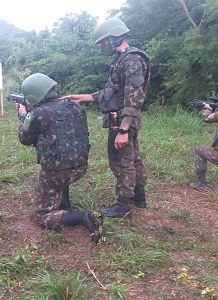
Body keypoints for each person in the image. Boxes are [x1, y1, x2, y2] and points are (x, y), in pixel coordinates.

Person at [68, 18, 152, 218]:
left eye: (103, 42)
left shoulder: (131, 60)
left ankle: (123, 207)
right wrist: (85, 97)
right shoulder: (122, 59)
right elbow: (112, 92)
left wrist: (122, 130)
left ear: (115, 38)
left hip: (122, 121)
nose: (102, 47)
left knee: (121, 162)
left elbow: (134, 99)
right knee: (133, 158)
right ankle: (139, 197)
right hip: (123, 119)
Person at [16, 73, 105, 244]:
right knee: (60, 177)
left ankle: (84, 217)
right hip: (79, 166)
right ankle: (64, 206)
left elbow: (24, 139)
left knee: (42, 216)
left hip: (56, 172)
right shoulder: (74, 106)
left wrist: (23, 116)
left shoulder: (38, 113)